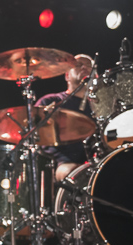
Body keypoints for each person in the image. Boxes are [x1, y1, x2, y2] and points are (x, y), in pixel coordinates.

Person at [35, 54, 95, 182]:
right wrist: (62, 160)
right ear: (67, 75)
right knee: (80, 176)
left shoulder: (101, 107)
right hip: (64, 162)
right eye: (78, 65)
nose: (84, 67)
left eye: (89, 66)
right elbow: (38, 137)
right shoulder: (51, 101)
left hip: (98, 161)